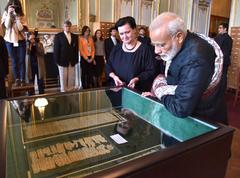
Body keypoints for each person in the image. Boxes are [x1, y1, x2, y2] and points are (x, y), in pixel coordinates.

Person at [142, 12, 227, 124]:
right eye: (154, 45)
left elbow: (180, 108)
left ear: (179, 36)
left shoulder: (196, 59)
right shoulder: (185, 41)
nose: (156, 51)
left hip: (200, 124)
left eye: (161, 45)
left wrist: (159, 90)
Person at [106, 16, 156, 92]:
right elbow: (108, 66)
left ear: (134, 30)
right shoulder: (116, 48)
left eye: (127, 32)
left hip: (136, 92)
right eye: (121, 34)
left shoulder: (145, 50)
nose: (124, 36)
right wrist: (114, 77)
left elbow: (151, 71)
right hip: (116, 90)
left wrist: (137, 78)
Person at [1, 0, 27, 86]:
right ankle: (17, 79)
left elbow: (20, 28)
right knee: (14, 60)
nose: (13, 7)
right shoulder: (5, 14)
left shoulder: (22, 15)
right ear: (8, 6)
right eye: (11, 5)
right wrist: (9, 14)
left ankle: (23, 79)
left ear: (18, 6)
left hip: (21, 40)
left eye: (14, 5)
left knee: (22, 60)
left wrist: (17, 17)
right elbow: (7, 26)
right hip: (9, 41)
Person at [54, 20, 79, 92]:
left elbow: (76, 49)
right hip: (62, 61)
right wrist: (56, 61)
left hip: (72, 60)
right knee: (63, 78)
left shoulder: (75, 36)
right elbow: (56, 49)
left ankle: (70, 91)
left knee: (71, 78)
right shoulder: (58, 36)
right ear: (63, 27)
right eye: (66, 26)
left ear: (70, 27)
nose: (67, 28)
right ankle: (63, 92)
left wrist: (76, 59)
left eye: (69, 26)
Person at [214, 23, 233, 92]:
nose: (218, 29)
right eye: (218, 28)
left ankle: (221, 91)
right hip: (221, 60)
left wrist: (219, 60)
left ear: (225, 29)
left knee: (222, 77)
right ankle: (218, 91)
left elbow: (226, 52)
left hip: (223, 61)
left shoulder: (228, 39)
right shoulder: (219, 36)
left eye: (220, 28)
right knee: (219, 76)